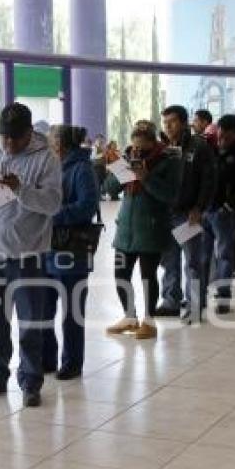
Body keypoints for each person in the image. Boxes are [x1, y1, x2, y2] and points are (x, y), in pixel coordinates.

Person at [0, 102, 61, 407]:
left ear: (29, 133)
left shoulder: (46, 159)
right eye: (4, 137)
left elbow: (54, 203)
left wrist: (22, 190)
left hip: (27, 258)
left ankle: (30, 381)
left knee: (30, 323)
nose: (8, 144)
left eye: (15, 138)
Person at [105, 124, 180, 339]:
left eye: (142, 148)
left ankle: (149, 321)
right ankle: (129, 317)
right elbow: (109, 189)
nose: (138, 152)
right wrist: (122, 171)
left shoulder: (168, 160)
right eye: (135, 147)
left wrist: (146, 177)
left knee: (148, 276)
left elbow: (170, 195)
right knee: (120, 275)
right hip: (125, 230)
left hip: (152, 228)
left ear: (152, 142)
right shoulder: (127, 157)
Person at [42, 125, 99, 380]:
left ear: (60, 145)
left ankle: (72, 362)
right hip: (47, 248)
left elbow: (87, 207)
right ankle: (47, 359)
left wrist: (54, 214)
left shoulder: (82, 169)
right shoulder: (52, 168)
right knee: (44, 309)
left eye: (50, 141)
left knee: (72, 312)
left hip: (72, 250)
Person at [153, 105, 217, 324]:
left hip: (188, 213)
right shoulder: (163, 148)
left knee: (192, 262)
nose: (167, 126)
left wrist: (199, 208)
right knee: (168, 261)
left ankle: (196, 307)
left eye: (171, 121)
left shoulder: (199, 146)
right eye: (164, 122)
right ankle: (170, 302)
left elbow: (208, 181)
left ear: (183, 122)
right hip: (166, 214)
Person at [200, 114, 235, 315]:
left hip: (226, 213)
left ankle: (223, 296)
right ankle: (199, 298)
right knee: (203, 256)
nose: (222, 138)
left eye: (226, 135)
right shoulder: (211, 146)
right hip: (205, 210)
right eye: (220, 134)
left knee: (224, 255)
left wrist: (230, 206)